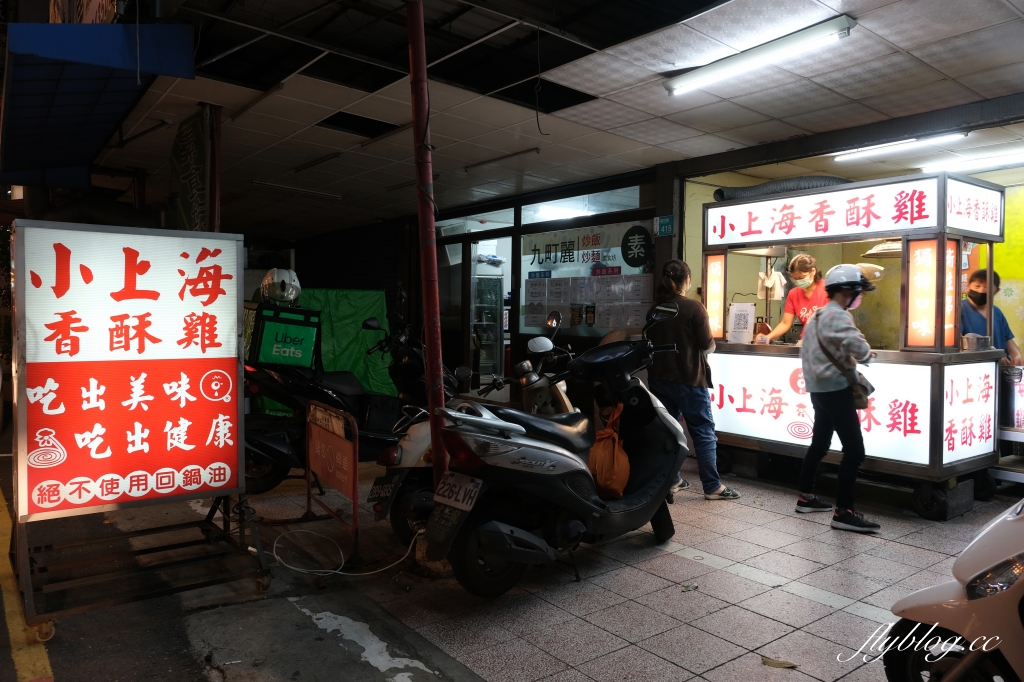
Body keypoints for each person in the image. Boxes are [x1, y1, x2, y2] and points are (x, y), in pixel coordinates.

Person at [797, 264, 880, 532]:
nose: (860, 296)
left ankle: (805, 497)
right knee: (855, 451)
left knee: (819, 444)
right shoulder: (839, 316)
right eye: (859, 291)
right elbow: (858, 346)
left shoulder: (818, 315)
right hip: (836, 390)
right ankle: (844, 512)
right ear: (849, 290)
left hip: (818, 390)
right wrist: (867, 354)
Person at [647, 260, 739, 501]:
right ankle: (713, 486)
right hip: (689, 379)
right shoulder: (693, 308)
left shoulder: (654, 309)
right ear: (686, 281)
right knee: (703, 430)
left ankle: (674, 480)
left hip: (658, 379)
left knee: (669, 430)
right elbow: (707, 345)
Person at [757, 253, 828, 344]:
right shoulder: (793, 294)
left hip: (828, 342)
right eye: (795, 279)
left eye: (801, 278)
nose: (798, 281)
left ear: (813, 271)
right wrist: (767, 337)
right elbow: (785, 323)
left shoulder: (828, 289)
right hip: (807, 343)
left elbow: (841, 320)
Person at [960, 269, 1023, 366]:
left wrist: (1017, 355)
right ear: (968, 287)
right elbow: (958, 342)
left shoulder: (996, 312)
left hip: (999, 368)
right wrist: (994, 355)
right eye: (977, 286)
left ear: (996, 291)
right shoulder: (959, 309)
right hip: (972, 367)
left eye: (987, 287)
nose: (981, 290)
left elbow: (1008, 339)